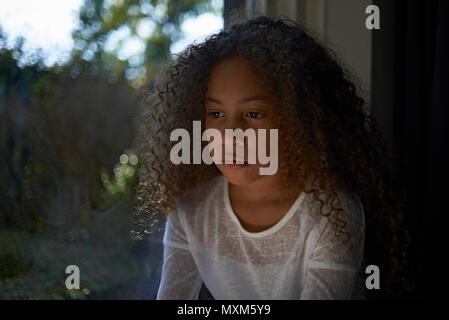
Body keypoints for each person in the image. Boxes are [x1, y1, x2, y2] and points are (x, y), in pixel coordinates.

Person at [137, 16, 412, 299]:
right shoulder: (190, 212)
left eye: (254, 114)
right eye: (216, 114)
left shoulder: (331, 215)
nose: (231, 134)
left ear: (299, 119)